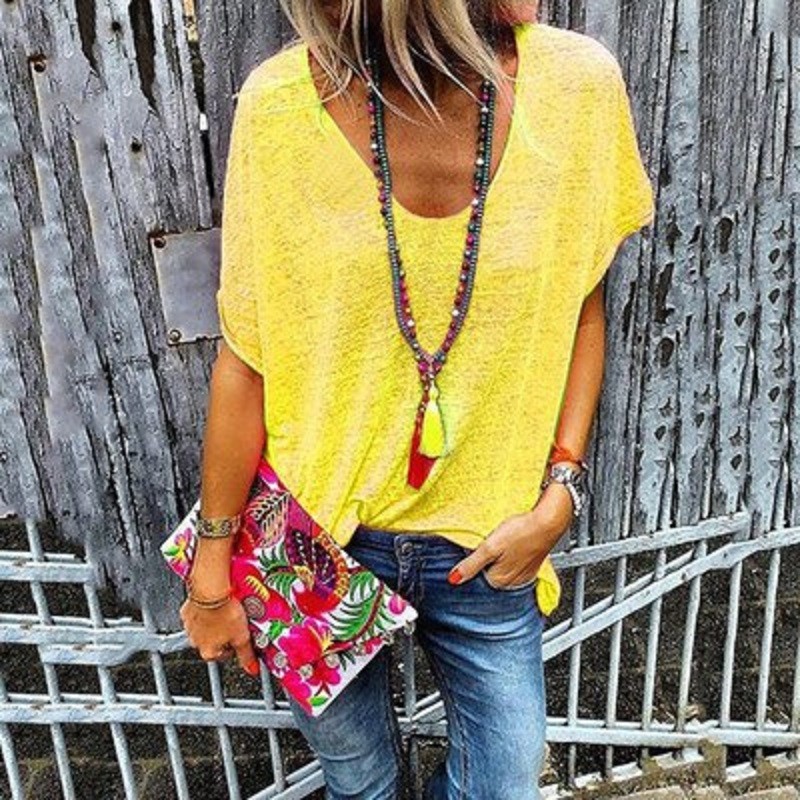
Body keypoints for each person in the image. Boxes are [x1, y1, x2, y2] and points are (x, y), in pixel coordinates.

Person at [179, 1, 656, 797]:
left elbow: (585, 305)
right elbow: (246, 358)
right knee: (358, 783)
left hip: (487, 541)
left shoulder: (577, 89)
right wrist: (212, 572)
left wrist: (562, 492)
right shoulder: (278, 108)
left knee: (503, 783)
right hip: (316, 541)